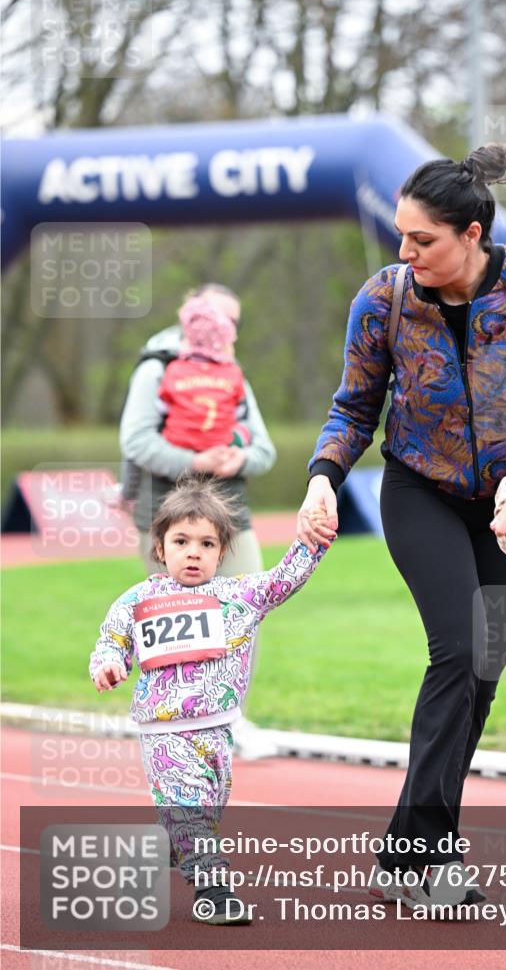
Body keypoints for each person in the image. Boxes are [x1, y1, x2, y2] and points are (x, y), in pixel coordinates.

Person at [297, 145, 506, 916]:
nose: (405, 254)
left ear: (471, 233)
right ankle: (430, 857)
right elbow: (353, 407)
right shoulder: (384, 298)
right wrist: (321, 479)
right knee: (458, 650)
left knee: (481, 678)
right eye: (400, 238)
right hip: (421, 490)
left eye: (422, 240)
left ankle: (403, 855)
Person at [90, 474, 332, 925]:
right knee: (189, 806)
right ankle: (214, 890)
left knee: (208, 805)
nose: (194, 552)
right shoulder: (139, 600)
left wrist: (312, 543)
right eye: (181, 541)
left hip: (218, 729)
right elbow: (112, 640)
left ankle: (172, 842)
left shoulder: (237, 596)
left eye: (206, 543)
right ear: (160, 548)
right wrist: (107, 664)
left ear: (222, 552)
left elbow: (285, 579)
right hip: (164, 730)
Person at [120, 283, 277, 758]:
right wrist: (196, 459)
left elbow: (265, 450)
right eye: (218, 318)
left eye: (233, 321)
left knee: (244, 614)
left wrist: (236, 460)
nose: (226, 330)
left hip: (229, 516)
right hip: (167, 518)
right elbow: (136, 442)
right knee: (179, 624)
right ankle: (177, 727)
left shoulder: (232, 372)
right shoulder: (156, 368)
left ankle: (232, 720)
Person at [159, 292, 251, 454]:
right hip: (223, 448)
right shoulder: (233, 372)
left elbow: (161, 408)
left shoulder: (173, 368)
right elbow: (241, 413)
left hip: (177, 446)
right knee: (243, 431)